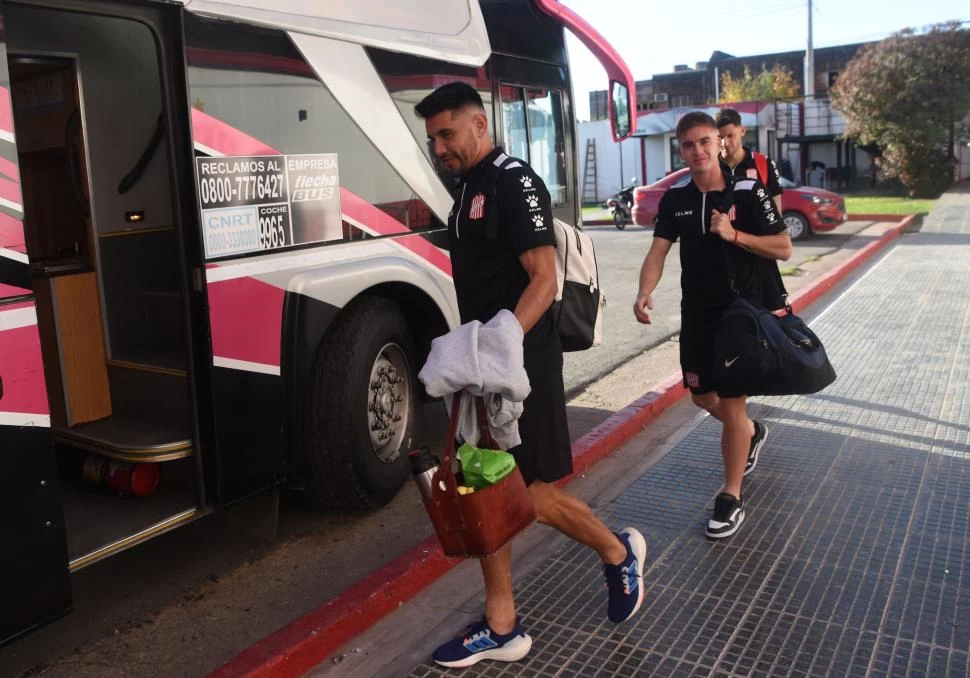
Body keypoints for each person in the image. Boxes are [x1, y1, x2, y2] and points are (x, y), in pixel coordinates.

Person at [415, 82, 646, 669]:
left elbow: (544, 279)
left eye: (448, 133)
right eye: (432, 137)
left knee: (530, 492)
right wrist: (473, 354)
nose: (439, 146)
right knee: (483, 482)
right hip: (483, 361)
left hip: (521, 361)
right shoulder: (464, 190)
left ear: (479, 125)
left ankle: (618, 553)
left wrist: (500, 344)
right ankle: (502, 625)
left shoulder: (514, 181)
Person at [633, 112, 792, 539]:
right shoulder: (675, 199)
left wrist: (735, 235)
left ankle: (731, 496)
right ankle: (751, 432)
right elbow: (658, 252)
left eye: (705, 142)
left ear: (719, 144)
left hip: (739, 314)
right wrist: (644, 291)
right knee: (703, 399)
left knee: (733, 402)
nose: (698, 151)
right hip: (697, 314)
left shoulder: (747, 191)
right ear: (680, 150)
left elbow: (784, 247)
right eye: (689, 145)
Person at [716, 107, 789, 313]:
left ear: (742, 131)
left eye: (730, 135)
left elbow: (777, 214)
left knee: (768, 323)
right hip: (724, 261)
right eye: (720, 137)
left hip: (759, 259)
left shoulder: (762, 164)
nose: (725, 142)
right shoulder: (712, 168)